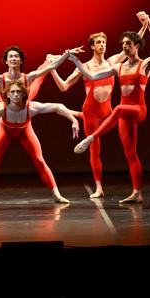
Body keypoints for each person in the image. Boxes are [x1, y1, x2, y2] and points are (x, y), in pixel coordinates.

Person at [70, 29, 150, 204]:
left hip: (138, 110)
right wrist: (77, 63)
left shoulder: (146, 64)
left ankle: (91, 138)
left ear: (137, 46)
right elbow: (92, 76)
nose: (124, 47)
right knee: (131, 154)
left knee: (117, 109)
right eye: (123, 44)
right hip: (125, 114)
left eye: (128, 44)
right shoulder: (118, 67)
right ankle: (137, 193)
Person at [0, 77, 78, 206]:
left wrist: (73, 121)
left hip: (25, 130)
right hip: (4, 130)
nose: (16, 95)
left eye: (18, 92)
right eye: (12, 92)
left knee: (40, 160)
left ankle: (57, 195)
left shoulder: (31, 108)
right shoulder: (1, 108)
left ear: (23, 93)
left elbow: (58, 107)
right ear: (7, 94)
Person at [51, 31, 118, 198]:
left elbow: (133, 45)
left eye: (104, 41)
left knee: (118, 122)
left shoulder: (113, 61)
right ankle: (99, 188)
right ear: (92, 46)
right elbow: (64, 87)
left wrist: (145, 25)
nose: (102, 44)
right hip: (92, 114)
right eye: (99, 42)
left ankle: (74, 113)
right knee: (95, 149)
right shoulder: (84, 67)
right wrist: (52, 69)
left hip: (108, 112)